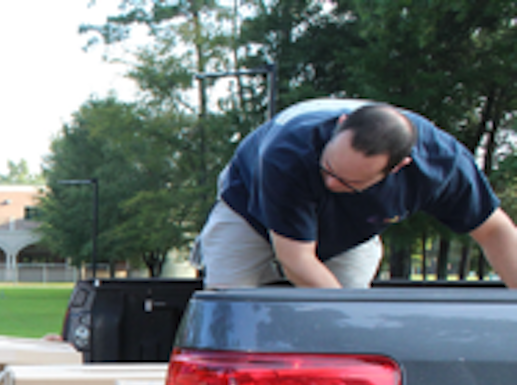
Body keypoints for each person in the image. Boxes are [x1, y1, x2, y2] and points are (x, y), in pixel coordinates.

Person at [196, 98, 517, 289]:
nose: (331, 184)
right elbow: (296, 260)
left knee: (342, 332)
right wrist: (345, 313)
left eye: (348, 182)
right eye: (328, 168)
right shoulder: (288, 151)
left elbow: (495, 230)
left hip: (350, 233)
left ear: (397, 169)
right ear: (341, 124)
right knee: (227, 302)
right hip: (250, 211)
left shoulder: (442, 166)